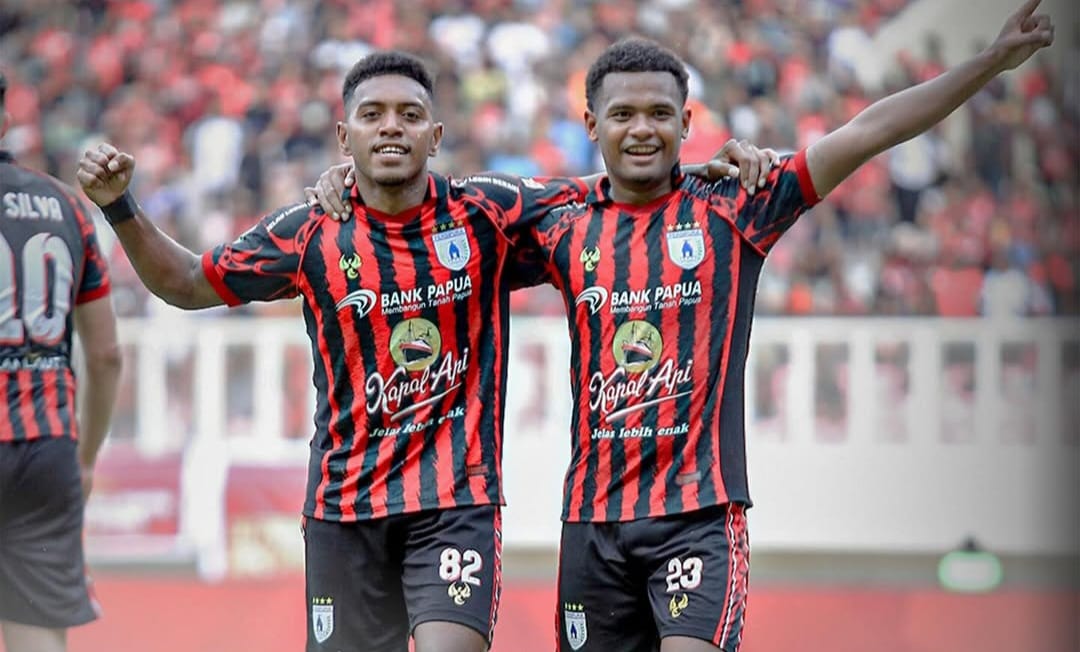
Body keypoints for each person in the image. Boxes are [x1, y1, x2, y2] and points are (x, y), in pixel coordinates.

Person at [316, 3, 1054, 651]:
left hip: (699, 516)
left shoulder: (736, 206)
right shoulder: (559, 223)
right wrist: (348, 179)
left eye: (660, 114)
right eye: (623, 115)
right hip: (592, 525)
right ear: (592, 125)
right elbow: (425, 219)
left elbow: (866, 132)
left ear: (686, 123)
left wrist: (989, 62)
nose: (642, 129)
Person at [76, 51, 775, 652]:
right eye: (373, 115)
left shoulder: (487, 212)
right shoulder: (310, 230)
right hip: (344, 510)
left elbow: (616, 191)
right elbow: (186, 283)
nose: (392, 127)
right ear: (344, 135)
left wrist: (686, 173)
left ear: (435, 135)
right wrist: (120, 207)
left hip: (455, 504)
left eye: (409, 115)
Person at [0, 71, 123, 652]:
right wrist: (87, 457)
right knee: (39, 634)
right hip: (47, 448)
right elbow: (106, 354)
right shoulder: (65, 207)